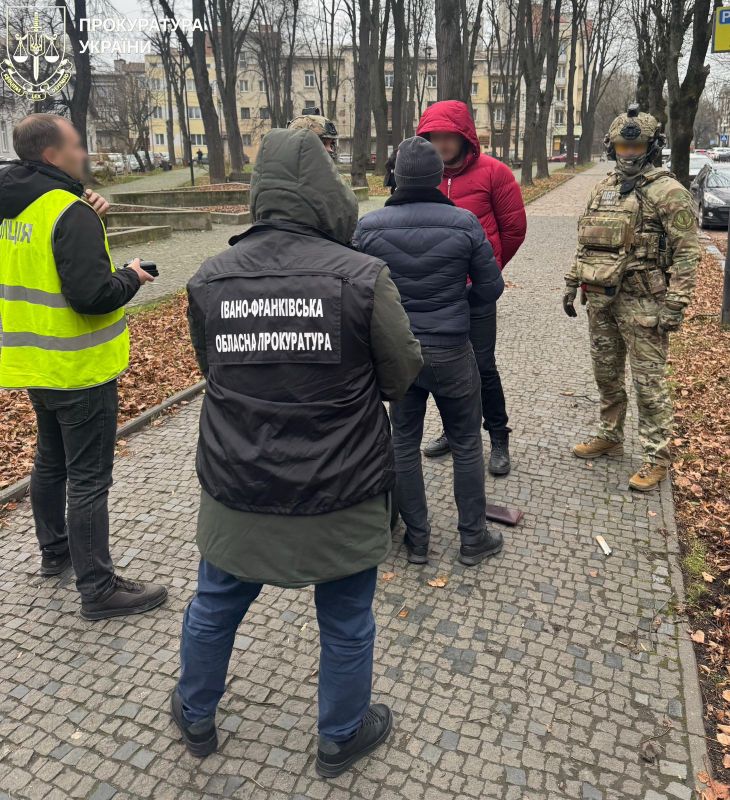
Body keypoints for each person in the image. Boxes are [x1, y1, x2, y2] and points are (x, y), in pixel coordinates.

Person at [174, 128, 423, 775]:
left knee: (215, 605)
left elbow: (211, 369)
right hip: (341, 489)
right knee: (346, 619)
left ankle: (195, 715)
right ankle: (340, 735)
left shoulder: (209, 278)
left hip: (238, 483)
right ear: (325, 192)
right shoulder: (363, 277)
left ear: (261, 192)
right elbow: (400, 375)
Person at [0, 113, 167, 619]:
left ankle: (56, 553)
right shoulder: (69, 212)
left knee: (50, 463)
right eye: (77, 145)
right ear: (52, 154)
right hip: (80, 368)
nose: (84, 153)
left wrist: (90, 217)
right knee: (89, 479)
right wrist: (132, 276)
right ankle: (98, 588)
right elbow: (92, 296)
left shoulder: (13, 206)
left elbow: (48, 265)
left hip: (34, 363)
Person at [355, 136, 505, 565]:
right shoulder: (465, 222)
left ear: (396, 177)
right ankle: (473, 539)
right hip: (452, 349)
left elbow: (355, 290)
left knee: (403, 443)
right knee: (466, 442)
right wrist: (458, 305)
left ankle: (417, 541)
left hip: (399, 353)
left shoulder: (369, 227)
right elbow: (491, 287)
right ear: (439, 176)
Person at [563, 104, 700, 491]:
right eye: (622, 147)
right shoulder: (602, 188)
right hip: (601, 299)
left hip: (645, 304)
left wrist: (675, 304)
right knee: (606, 374)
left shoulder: (668, 192)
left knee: (648, 384)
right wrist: (572, 282)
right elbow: (586, 242)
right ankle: (610, 434)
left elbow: (688, 253)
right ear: (612, 148)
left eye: (636, 147)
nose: (628, 154)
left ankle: (657, 456)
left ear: (651, 148)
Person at [416, 101, 526, 475]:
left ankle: (498, 436)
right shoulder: (422, 176)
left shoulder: (495, 173)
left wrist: (487, 273)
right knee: (442, 366)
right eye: (434, 137)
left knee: (482, 366)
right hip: (435, 294)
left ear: (464, 136)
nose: (442, 144)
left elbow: (513, 230)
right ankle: (453, 431)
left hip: (475, 293)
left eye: (449, 136)